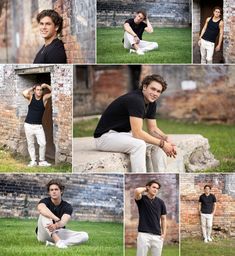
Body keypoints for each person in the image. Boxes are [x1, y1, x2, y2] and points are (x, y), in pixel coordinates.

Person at [94, 74, 177, 172]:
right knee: (139, 145)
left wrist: (166, 140)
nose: (155, 93)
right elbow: (137, 133)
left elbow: (153, 129)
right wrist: (162, 143)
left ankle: (161, 176)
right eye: (153, 89)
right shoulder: (136, 100)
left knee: (157, 146)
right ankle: (141, 176)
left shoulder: (151, 103)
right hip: (104, 137)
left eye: (158, 91)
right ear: (145, 87)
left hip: (121, 135)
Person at [36, 179, 89, 249]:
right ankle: (58, 241)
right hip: (43, 234)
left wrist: (56, 225)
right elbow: (41, 208)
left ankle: (58, 243)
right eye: (51, 190)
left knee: (84, 235)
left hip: (58, 231)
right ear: (49, 192)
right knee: (44, 214)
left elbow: (63, 222)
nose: (54, 192)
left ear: (61, 191)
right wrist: (56, 218)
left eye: (56, 189)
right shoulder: (45, 201)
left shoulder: (67, 206)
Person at [134, 180, 167, 256]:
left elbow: (163, 218)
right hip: (144, 234)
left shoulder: (161, 202)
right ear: (148, 187)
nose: (156, 190)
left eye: (157, 188)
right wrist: (146, 188)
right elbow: (137, 191)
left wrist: (164, 233)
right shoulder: (141, 199)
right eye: (154, 187)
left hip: (157, 236)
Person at [23, 83, 52, 167]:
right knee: (30, 144)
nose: (39, 91)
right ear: (35, 91)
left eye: (40, 90)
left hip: (38, 126)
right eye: (37, 90)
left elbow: (54, 92)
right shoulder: (31, 97)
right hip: (28, 125)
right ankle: (33, 161)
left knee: (43, 143)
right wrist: (32, 88)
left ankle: (42, 161)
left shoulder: (44, 98)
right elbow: (24, 93)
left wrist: (46, 86)